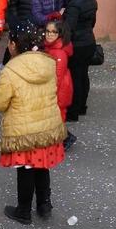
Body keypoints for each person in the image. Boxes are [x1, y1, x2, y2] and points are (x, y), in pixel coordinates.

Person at [0, 23, 67, 225]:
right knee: (42, 166)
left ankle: (23, 210)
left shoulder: (10, 70)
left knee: (25, 169)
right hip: (47, 126)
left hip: (23, 130)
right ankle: (44, 205)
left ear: (14, 45)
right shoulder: (49, 62)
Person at [63, 0, 98, 121]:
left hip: (77, 45)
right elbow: (92, 22)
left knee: (75, 78)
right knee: (83, 75)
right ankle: (82, 106)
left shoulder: (75, 2)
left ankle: (73, 112)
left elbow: (68, 27)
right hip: (89, 42)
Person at [43, 19, 76, 151]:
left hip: (59, 90)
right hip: (57, 88)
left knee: (57, 117)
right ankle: (62, 139)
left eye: (54, 32)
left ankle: (64, 140)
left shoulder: (59, 52)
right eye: (47, 31)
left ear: (60, 34)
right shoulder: (51, 47)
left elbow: (58, 75)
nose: (49, 34)